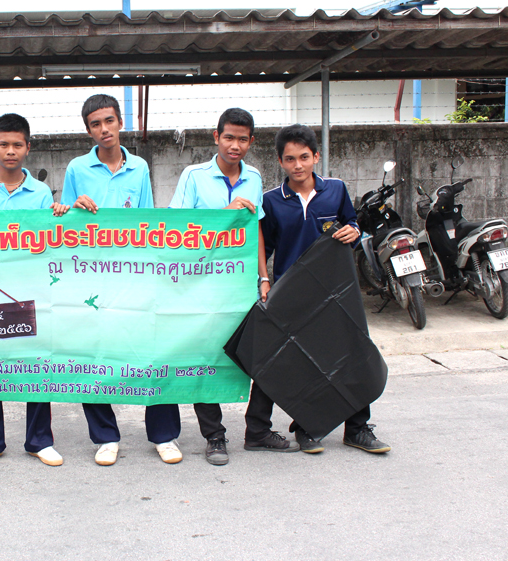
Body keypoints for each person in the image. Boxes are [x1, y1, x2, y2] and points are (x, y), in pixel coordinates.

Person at [169, 108, 298, 466]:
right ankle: (214, 436)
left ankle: (257, 430)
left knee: (265, 355)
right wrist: (225, 215)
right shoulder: (193, 176)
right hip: (200, 284)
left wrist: (263, 277)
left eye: (242, 139)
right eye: (229, 137)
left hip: (240, 285)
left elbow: (255, 230)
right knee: (205, 358)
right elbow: (176, 231)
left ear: (251, 141)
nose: (235, 145)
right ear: (216, 137)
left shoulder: (253, 177)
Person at [60, 93, 181, 466]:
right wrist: (73, 207)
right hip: (90, 276)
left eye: (108, 120)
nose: (104, 129)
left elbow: (146, 221)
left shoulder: (140, 167)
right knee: (92, 355)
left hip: (132, 274)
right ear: (88, 130)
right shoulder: (77, 169)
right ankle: (105, 437)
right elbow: (63, 220)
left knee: (152, 351)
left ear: (120, 122)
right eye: (95, 124)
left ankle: (164, 435)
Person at [261, 123, 391, 455]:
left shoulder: (336, 189)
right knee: (306, 363)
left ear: (316, 156)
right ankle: (306, 428)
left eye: (304, 157)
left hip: (337, 291)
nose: (298, 165)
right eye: (290, 159)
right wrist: (263, 282)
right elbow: (264, 247)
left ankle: (357, 428)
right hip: (294, 294)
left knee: (352, 355)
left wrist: (354, 230)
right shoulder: (271, 201)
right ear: (280, 161)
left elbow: (352, 223)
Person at [0, 114, 66, 469]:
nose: (10, 151)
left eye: (17, 145)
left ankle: (39, 441)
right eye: (4, 144)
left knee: (37, 364)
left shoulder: (40, 193)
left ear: (28, 148)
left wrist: (58, 215)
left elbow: (49, 239)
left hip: (28, 289)